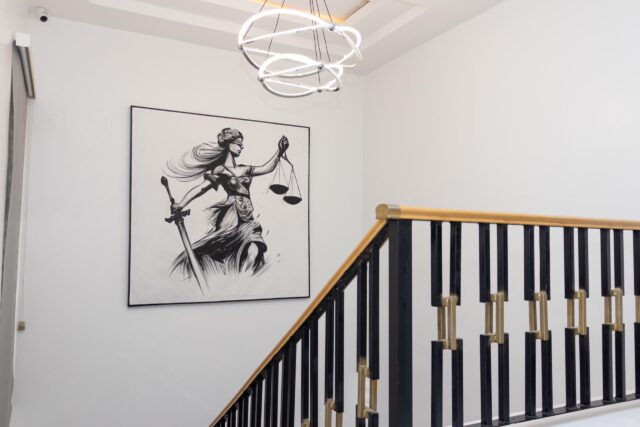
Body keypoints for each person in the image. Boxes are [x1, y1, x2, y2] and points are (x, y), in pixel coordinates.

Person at [166, 127, 289, 276]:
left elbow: (266, 168)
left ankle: (245, 279)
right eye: (238, 144)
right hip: (232, 215)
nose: (242, 147)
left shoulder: (245, 169)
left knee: (255, 248)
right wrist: (181, 204)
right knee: (224, 247)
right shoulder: (220, 170)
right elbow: (201, 188)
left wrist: (279, 151)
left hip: (248, 218)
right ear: (228, 144)